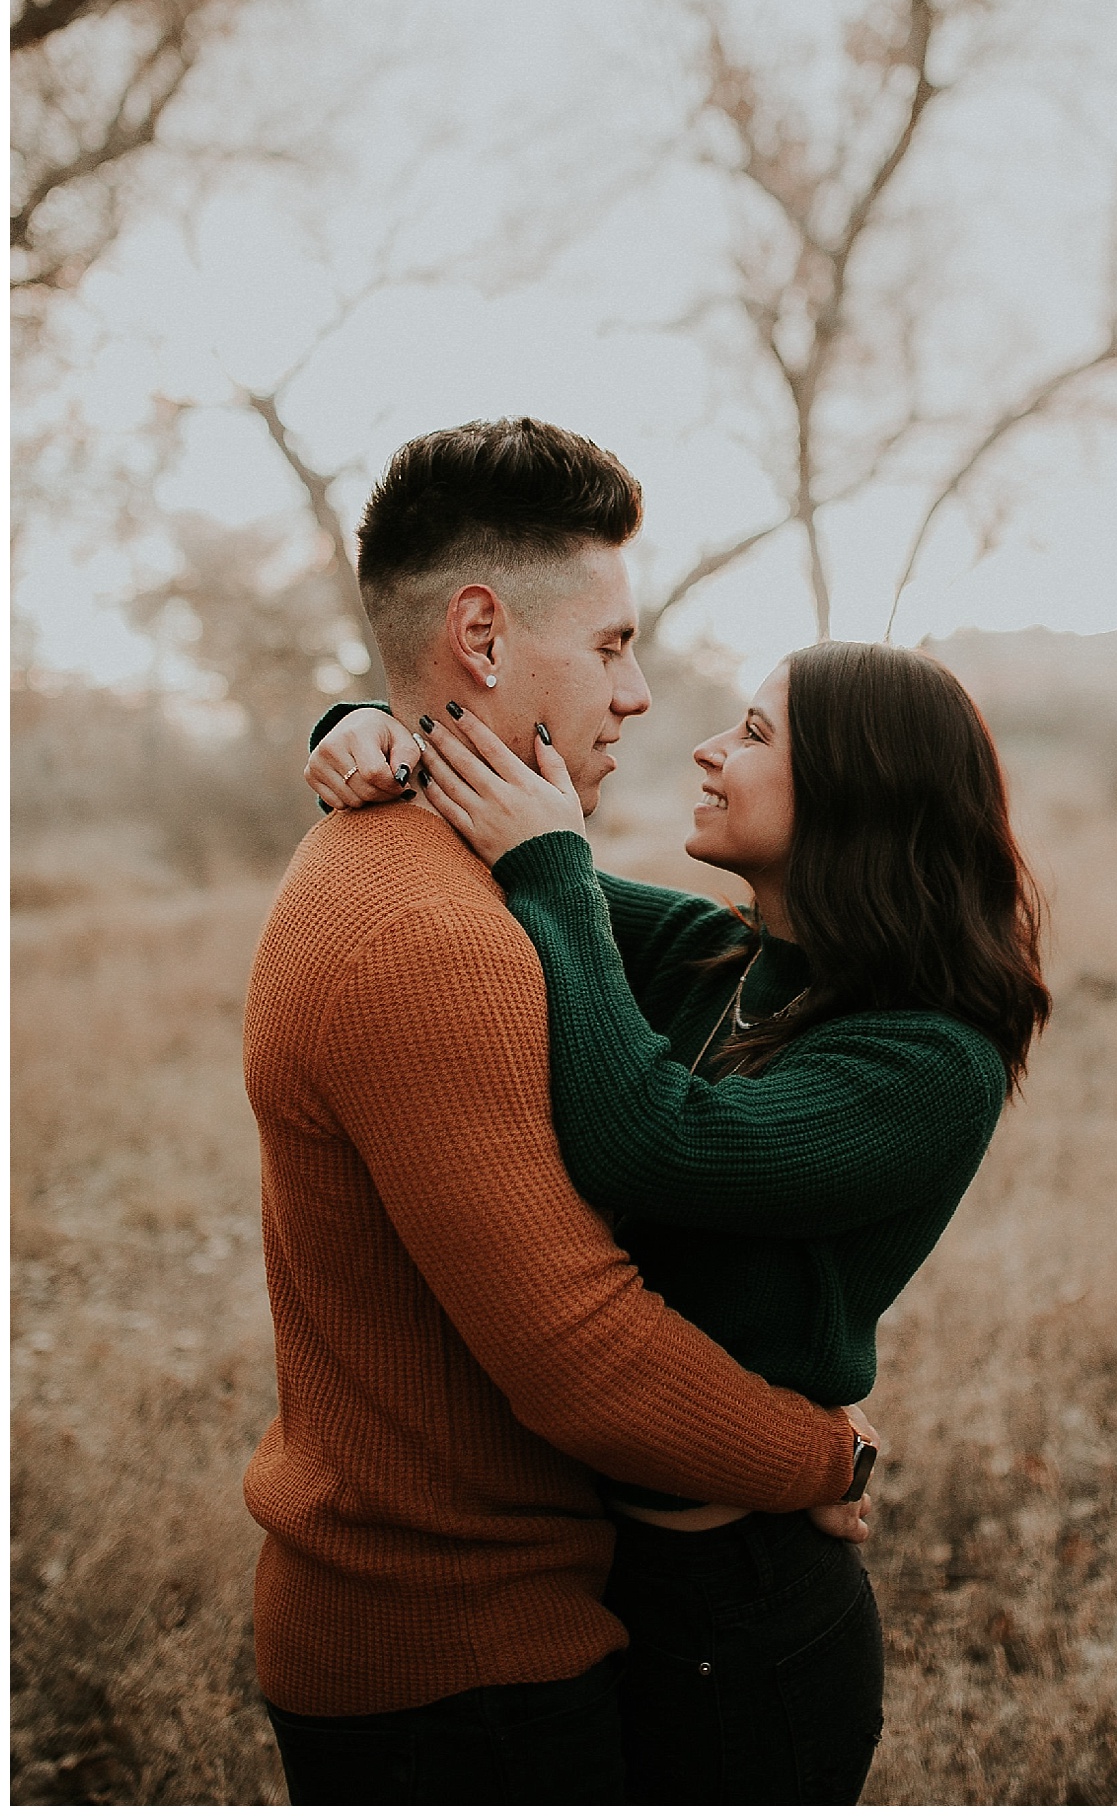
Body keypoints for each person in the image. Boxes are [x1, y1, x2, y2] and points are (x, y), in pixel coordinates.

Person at [243, 417, 872, 1810]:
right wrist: (828, 1452)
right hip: (455, 1677)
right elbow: (578, 1353)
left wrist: (365, 731)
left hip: (468, 1642)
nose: (640, 694)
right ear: (480, 633)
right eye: (609, 646)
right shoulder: (425, 933)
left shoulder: (435, 869)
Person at [310, 626, 1050, 1804]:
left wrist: (559, 862)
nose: (706, 749)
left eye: (754, 733)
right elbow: (487, 841)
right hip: (607, 1577)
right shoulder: (719, 955)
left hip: (746, 1607)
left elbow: (655, 1143)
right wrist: (359, 729)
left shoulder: (927, 1062)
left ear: (861, 791)